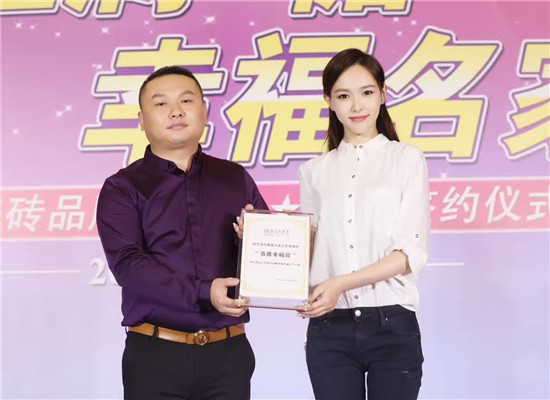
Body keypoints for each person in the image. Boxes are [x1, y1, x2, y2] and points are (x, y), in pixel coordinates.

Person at [96, 65, 267, 399]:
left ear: (204, 111)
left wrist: (253, 242)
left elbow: (268, 254)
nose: (176, 111)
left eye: (186, 101)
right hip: (155, 356)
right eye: (161, 104)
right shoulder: (123, 187)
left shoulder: (235, 178)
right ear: (142, 120)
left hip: (228, 354)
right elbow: (128, 265)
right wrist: (203, 291)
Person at [297, 48, 430, 400]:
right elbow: (309, 249)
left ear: (383, 95)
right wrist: (256, 237)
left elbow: (409, 253)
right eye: (343, 96)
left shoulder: (407, 159)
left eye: (367, 92)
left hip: (392, 323)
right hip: (330, 326)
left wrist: (341, 282)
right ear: (329, 101)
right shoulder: (313, 171)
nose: (357, 106)